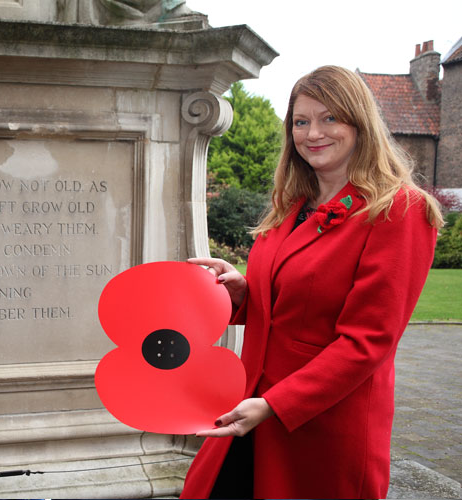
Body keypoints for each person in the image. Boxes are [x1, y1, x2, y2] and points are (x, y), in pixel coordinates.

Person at [181, 65, 443, 499]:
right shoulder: (292, 204)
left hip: (320, 426)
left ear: (359, 124)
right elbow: (296, 301)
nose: (313, 133)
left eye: (329, 118)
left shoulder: (399, 210)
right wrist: (244, 292)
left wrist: (275, 405)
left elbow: (368, 341)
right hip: (250, 406)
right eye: (301, 122)